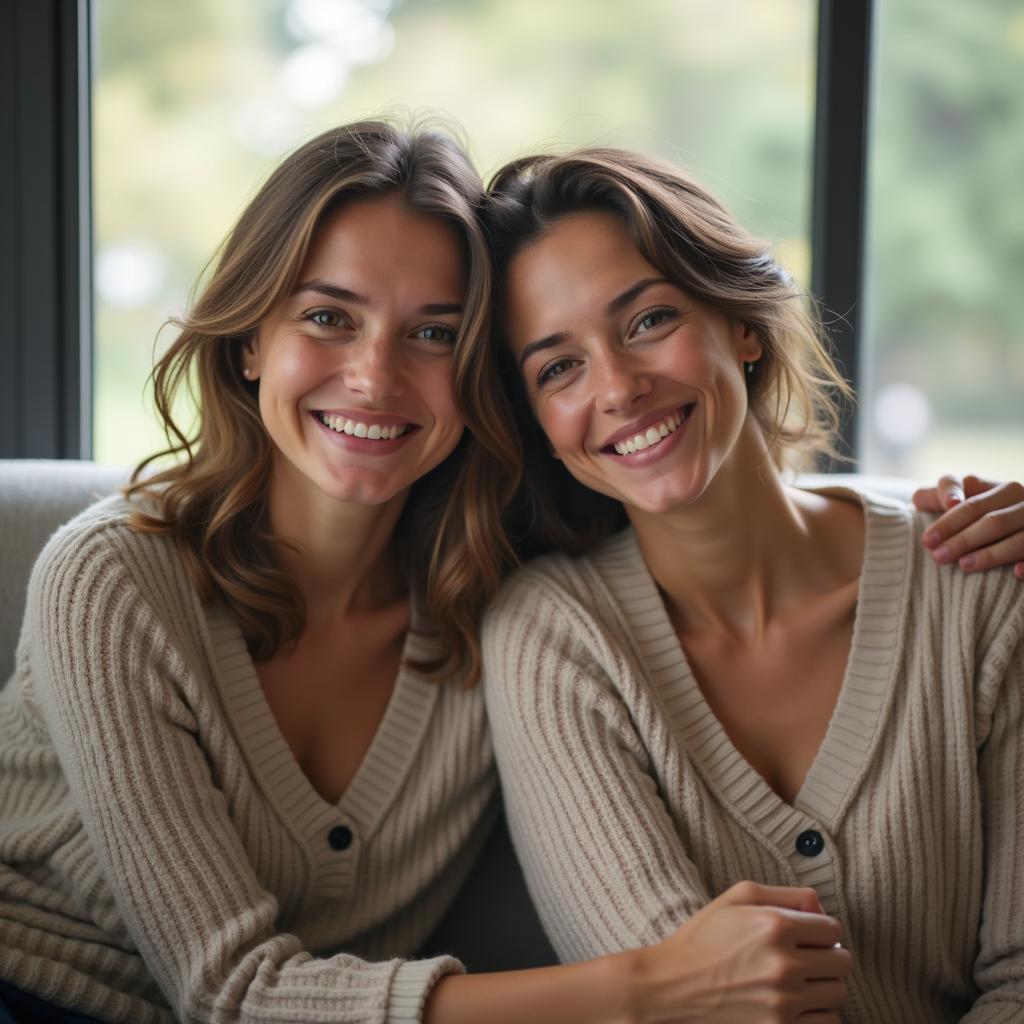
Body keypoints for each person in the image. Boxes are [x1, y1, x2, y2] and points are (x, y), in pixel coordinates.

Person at [0, 120, 1019, 1024]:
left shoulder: (492, 595)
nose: (374, 373)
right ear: (248, 343)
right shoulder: (115, 581)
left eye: (433, 334)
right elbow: (230, 994)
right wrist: (649, 988)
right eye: (326, 316)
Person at [479, 147, 1024, 1022]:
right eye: (558, 368)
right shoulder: (554, 640)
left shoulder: (978, 587)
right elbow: (681, 1006)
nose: (618, 386)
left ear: (741, 322)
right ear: (538, 425)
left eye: (648, 319)